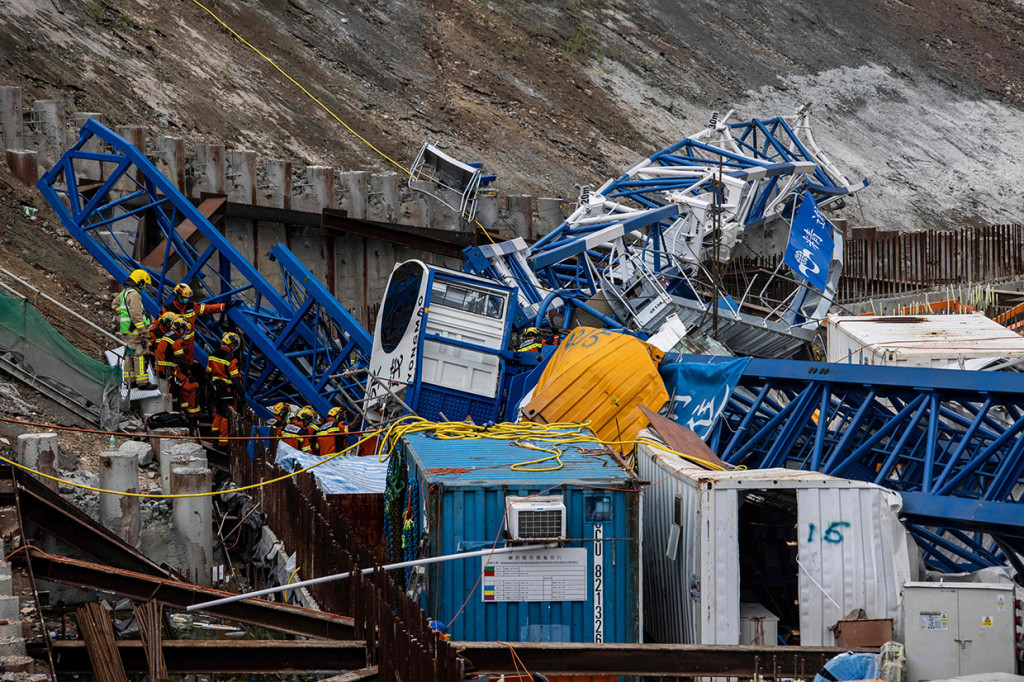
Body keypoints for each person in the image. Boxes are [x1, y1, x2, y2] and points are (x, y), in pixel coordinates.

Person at [159, 282, 227, 367]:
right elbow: (159, 326)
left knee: (188, 366)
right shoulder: (167, 309)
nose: (186, 300)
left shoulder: (192, 306)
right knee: (176, 366)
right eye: (184, 298)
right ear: (177, 295)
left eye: (187, 298)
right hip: (174, 344)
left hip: (189, 345)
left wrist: (224, 306)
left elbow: (208, 309)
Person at [114, 269, 155, 389]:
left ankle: (129, 381)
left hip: (126, 330)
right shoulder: (135, 295)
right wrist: (144, 332)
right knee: (140, 355)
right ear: (140, 282)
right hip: (135, 331)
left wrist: (124, 314)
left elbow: (114, 305)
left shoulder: (124, 292)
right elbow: (137, 316)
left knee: (129, 354)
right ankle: (143, 383)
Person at [206, 331, 242, 448]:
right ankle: (222, 442)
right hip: (227, 392)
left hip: (216, 390)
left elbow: (207, 374)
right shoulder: (231, 359)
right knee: (226, 416)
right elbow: (236, 380)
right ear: (231, 344)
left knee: (218, 412)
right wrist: (242, 394)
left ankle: (215, 435)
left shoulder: (212, 355)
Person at [170, 315, 200, 423]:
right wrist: (188, 373)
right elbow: (181, 360)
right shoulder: (177, 340)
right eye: (184, 329)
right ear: (179, 327)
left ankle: (183, 411)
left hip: (171, 371)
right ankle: (192, 416)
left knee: (182, 392)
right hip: (172, 372)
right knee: (194, 387)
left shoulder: (170, 337)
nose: (184, 332)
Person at [152, 312, 179, 380]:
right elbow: (147, 348)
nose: (172, 326)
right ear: (165, 322)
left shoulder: (172, 335)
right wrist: (152, 354)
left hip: (170, 366)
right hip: (158, 366)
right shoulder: (154, 333)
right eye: (170, 323)